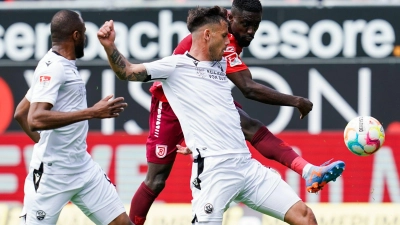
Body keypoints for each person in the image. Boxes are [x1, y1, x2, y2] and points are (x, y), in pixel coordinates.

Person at [127, 0, 345, 224]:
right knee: (156, 180)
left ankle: (308, 170)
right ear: (231, 19)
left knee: (250, 126)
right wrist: (296, 101)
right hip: (171, 103)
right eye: (246, 24)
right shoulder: (220, 35)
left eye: (256, 25)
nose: (250, 31)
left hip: (209, 102)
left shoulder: (226, 34)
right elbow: (248, 88)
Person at [14, 10, 134, 225]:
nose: (86, 38)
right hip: (51, 176)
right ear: (76, 35)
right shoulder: (53, 68)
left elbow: (20, 113)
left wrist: (44, 143)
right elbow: (34, 118)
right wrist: (92, 112)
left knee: (122, 223)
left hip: (82, 167)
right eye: (85, 33)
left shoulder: (59, 65)